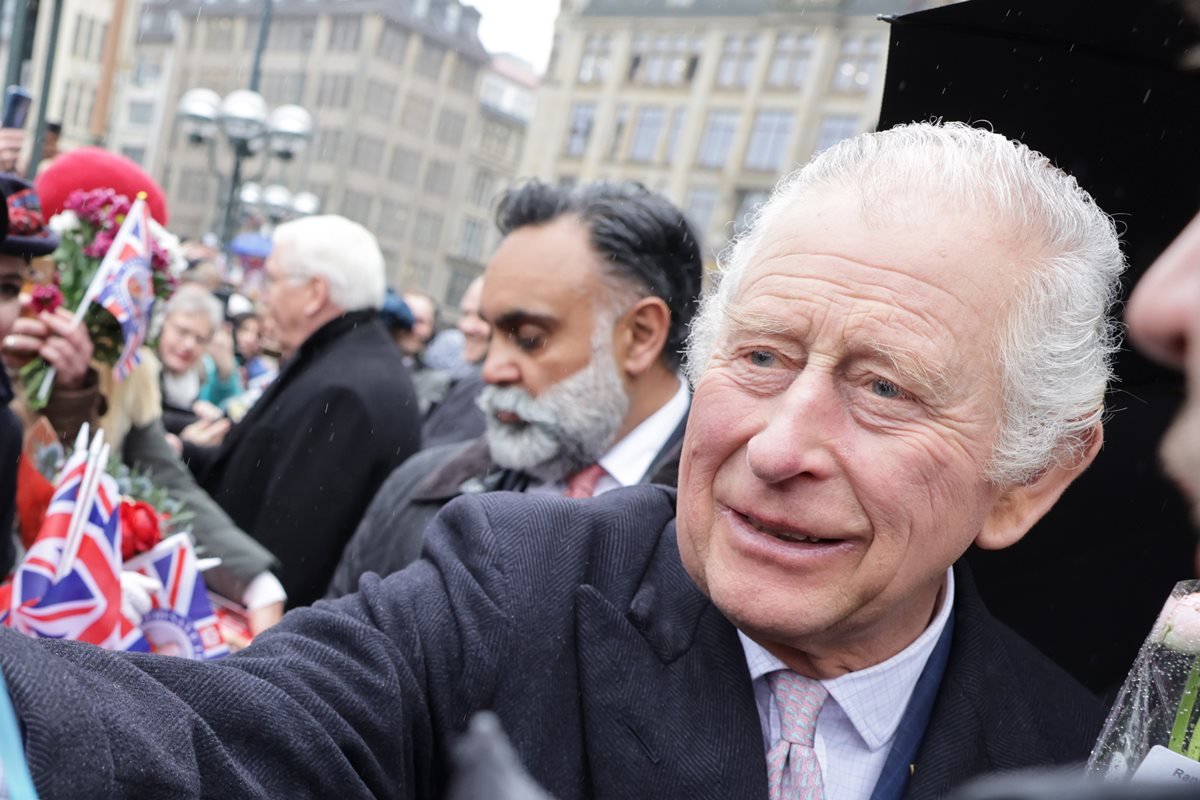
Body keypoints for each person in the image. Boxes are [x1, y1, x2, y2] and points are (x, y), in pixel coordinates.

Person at [0, 123, 1114, 799]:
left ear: (1034, 473)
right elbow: (201, 743)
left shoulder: (1082, 754)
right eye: (763, 355)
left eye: (885, 388)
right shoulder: (505, 591)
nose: (780, 446)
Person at [326, 180, 702, 597]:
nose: (492, 370)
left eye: (528, 338)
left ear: (640, 335)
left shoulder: (731, 535)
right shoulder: (418, 489)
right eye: (491, 335)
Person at [0, 167, 288, 632]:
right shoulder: (14, 337)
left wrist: (253, 578)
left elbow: (162, 480)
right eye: (14, 285)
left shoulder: (132, 371)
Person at [182, 215, 420, 608]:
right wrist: (183, 453)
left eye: (272, 280)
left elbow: (291, 552)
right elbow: (258, 469)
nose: (263, 294)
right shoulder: (341, 356)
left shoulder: (348, 390)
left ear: (314, 293)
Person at [157, 284, 242, 437]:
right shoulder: (140, 372)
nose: (189, 345)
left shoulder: (197, 380)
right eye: (182, 331)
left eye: (200, 339)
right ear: (162, 323)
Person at [419, 275, 490, 449]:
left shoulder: (484, 393)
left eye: (482, 317)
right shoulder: (469, 384)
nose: (466, 326)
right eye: (466, 313)